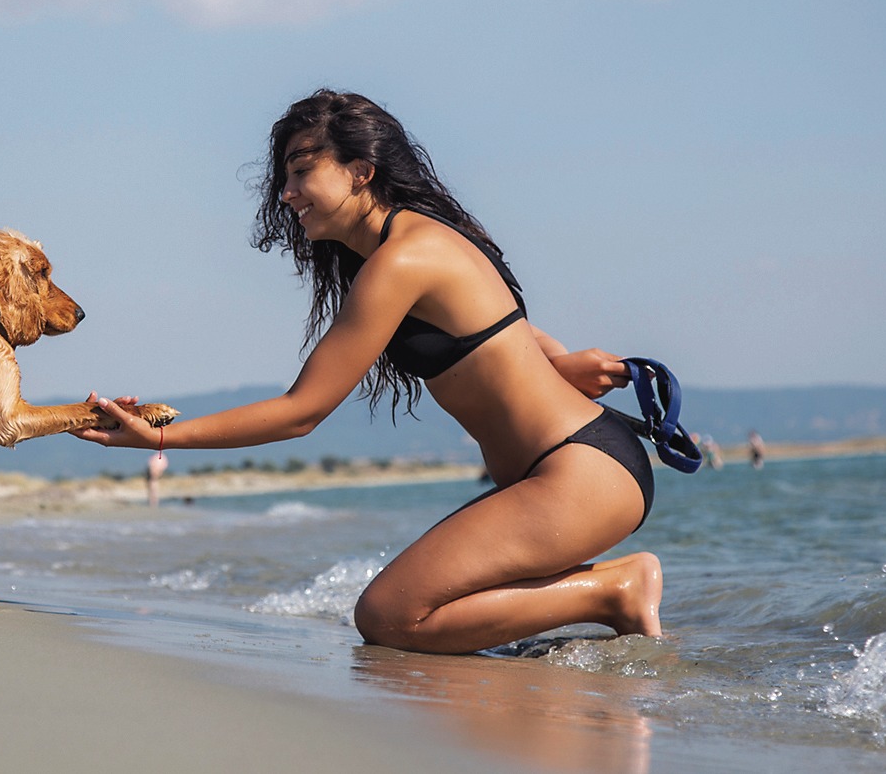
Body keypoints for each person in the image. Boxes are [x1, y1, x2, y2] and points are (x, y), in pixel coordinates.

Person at [77, 89, 662, 655]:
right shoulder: (412, 244)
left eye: (302, 171)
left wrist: (158, 437)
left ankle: (615, 590)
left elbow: (302, 412)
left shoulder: (402, 258)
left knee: (388, 616)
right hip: (575, 465)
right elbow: (503, 325)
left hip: (577, 473)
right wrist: (558, 361)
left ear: (361, 171)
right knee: (410, 608)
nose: (287, 194)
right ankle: (605, 599)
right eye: (285, 177)